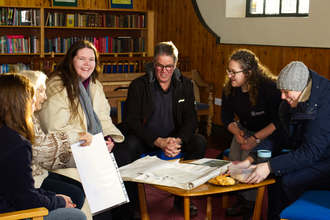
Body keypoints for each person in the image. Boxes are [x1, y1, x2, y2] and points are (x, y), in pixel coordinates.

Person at [37, 40, 134, 220]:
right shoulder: (57, 86)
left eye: (91, 59)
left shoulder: (94, 84)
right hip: (68, 147)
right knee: (101, 166)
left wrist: (107, 138)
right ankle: (105, 214)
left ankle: (123, 212)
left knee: (124, 155)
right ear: (71, 60)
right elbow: (56, 128)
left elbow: (103, 116)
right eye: (82, 59)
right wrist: (94, 143)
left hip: (93, 142)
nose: (87, 64)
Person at [118, 41, 207, 217]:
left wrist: (178, 140)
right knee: (129, 145)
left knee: (199, 142)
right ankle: (135, 199)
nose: (164, 71)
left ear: (175, 65)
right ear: (154, 63)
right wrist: (158, 141)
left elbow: (191, 119)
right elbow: (131, 122)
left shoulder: (185, 85)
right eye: (160, 66)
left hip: (174, 139)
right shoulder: (138, 85)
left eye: (169, 66)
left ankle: (182, 196)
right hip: (147, 139)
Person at [235, 61, 330, 220]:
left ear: (301, 88)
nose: (282, 96)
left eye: (286, 92)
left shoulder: (325, 103)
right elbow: (279, 136)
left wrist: (269, 166)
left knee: (289, 180)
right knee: (277, 175)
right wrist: (251, 159)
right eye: (281, 91)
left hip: (326, 160)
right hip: (313, 153)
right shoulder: (294, 100)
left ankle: (301, 212)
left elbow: (310, 152)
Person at [0, 73, 86, 220]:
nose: (39, 98)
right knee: (76, 215)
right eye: (33, 93)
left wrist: (52, 196)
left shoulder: (6, 134)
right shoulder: (16, 144)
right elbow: (27, 201)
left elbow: (18, 189)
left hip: (9, 204)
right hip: (10, 214)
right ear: (21, 101)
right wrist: (57, 201)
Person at [221, 49, 282, 220]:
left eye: (234, 72)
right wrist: (237, 132)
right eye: (229, 71)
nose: (230, 75)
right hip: (243, 128)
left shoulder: (270, 89)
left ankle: (251, 206)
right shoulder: (230, 88)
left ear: (249, 73)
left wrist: (256, 138)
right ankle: (240, 199)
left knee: (249, 163)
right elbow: (226, 116)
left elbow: (279, 122)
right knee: (235, 158)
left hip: (267, 131)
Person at [19, 70, 92, 210]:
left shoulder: (31, 116)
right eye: (41, 91)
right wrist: (75, 136)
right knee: (76, 194)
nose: (45, 97)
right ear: (28, 90)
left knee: (79, 188)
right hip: (31, 181)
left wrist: (77, 159)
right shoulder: (22, 118)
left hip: (38, 172)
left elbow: (42, 157)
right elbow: (41, 152)